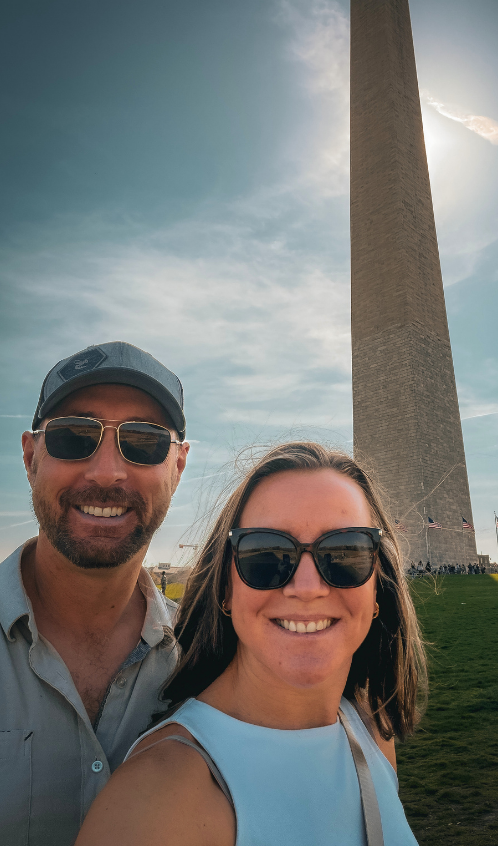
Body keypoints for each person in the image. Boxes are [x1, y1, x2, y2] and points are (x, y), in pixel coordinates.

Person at [75, 443, 426, 846]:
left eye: (346, 552)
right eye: (266, 554)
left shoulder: (370, 729)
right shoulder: (156, 801)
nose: (307, 588)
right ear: (225, 586)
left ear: (378, 585)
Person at [0, 342, 190, 846]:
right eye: (73, 437)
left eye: (145, 443)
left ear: (178, 466)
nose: (107, 472)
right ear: (30, 456)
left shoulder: (211, 656)